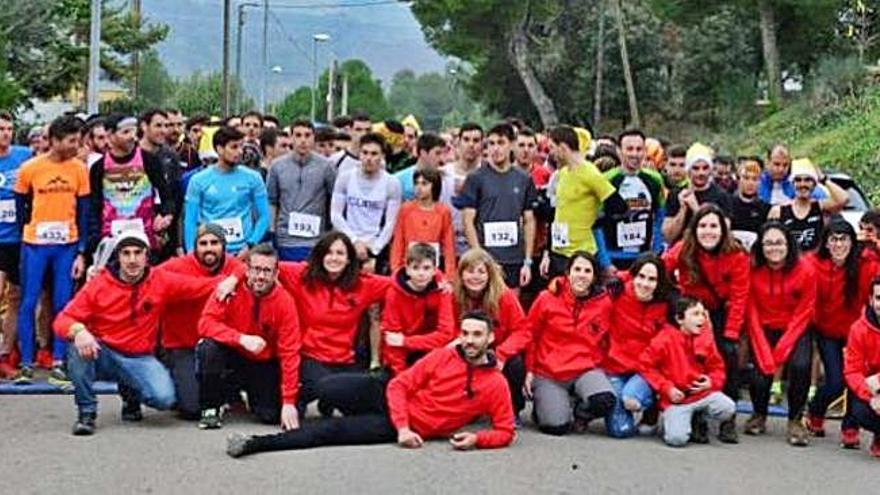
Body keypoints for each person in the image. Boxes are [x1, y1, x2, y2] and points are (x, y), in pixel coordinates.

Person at [225, 310, 515, 457]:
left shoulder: (496, 384)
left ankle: (254, 444)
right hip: (389, 397)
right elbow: (399, 386)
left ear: (490, 338)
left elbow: (505, 431)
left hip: (399, 425)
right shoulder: (444, 356)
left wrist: (478, 439)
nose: (469, 340)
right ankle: (334, 403)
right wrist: (403, 426)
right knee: (328, 386)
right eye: (464, 333)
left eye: (477, 335)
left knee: (330, 433)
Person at [54, 230, 231, 435]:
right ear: (118, 256)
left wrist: (233, 279)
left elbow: (200, 287)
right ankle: (86, 412)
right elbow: (62, 320)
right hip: (103, 353)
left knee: (164, 398)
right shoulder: (98, 284)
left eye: (138, 253)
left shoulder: (161, 280)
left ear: (147, 256)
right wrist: (78, 331)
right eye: (126, 253)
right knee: (77, 347)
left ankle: (131, 396)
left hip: (139, 357)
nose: (132, 260)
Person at [274, 232, 392, 414]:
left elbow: (402, 282)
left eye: (340, 253)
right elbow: (261, 264)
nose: (333, 258)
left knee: (363, 409)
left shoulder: (363, 284)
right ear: (320, 256)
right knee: (328, 387)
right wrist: (233, 279)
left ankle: (328, 402)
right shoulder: (301, 275)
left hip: (346, 361)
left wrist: (440, 280)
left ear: (348, 259)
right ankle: (307, 395)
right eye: (328, 253)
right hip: (310, 358)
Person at [13, 115, 90, 384]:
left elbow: (83, 211)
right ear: (55, 141)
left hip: (66, 245)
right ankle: (26, 363)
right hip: (35, 244)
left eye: (78, 141)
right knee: (28, 301)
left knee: (62, 302)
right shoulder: (29, 168)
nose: (75, 145)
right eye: (70, 140)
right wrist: (29, 233)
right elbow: (21, 206)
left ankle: (58, 360)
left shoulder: (79, 169)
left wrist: (81, 250)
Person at [663, 204, 749, 443]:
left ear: (722, 230)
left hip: (721, 312)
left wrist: (731, 332)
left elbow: (740, 296)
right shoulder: (683, 249)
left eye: (713, 226)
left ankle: (727, 419)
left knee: (728, 357)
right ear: (694, 228)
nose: (708, 231)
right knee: (690, 360)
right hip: (691, 310)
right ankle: (697, 416)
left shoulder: (736, 254)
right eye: (702, 226)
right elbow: (660, 269)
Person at [197, 243, 302, 430]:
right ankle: (211, 407)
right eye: (256, 270)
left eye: (267, 271)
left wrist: (288, 402)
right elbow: (205, 324)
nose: (261, 276)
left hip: (262, 362)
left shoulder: (285, 303)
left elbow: (290, 353)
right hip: (232, 354)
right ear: (247, 270)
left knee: (270, 415)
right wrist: (241, 339)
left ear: (276, 274)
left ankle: (244, 396)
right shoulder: (228, 289)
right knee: (208, 347)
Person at [157, 224, 245, 419]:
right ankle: (171, 379)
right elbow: (149, 276)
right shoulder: (176, 266)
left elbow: (247, 267)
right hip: (181, 345)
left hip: (219, 345)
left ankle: (228, 390)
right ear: (195, 246)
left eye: (214, 243)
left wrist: (234, 278)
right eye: (203, 243)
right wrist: (219, 283)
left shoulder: (233, 267)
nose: (209, 248)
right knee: (191, 409)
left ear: (223, 246)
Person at [526, 251, 616, 436]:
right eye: (577, 269)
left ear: (594, 276)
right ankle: (544, 407)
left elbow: (607, 339)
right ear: (568, 273)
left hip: (584, 370)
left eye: (587, 271)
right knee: (556, 427)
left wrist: (602, 366)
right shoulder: (546, 298)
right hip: (549, 372)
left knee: (605, 400)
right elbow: (530, 336)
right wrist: (529, 370)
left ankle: (580, 413)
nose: (582, 275)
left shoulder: (604, 303)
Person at [805, 219, 877, 445]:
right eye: (833, 239)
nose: (838, 245)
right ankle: (815, 412)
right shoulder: (812, 263)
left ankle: (850, 426)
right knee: (836, 381)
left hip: (857, 331)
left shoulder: (865, 263)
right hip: (827, 331)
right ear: (825, 243)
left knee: (857, 377)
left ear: (851, 241)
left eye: (843, 239)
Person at [744, 222, 817, 446]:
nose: (773, 248)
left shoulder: (805, 269)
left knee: (801, 365)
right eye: (768, 243)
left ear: (788, 245)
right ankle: (759, 414)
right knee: (759, 373)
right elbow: (751, 310)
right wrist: (765, 351)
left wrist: (783, 348)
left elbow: (805, 310)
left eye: (779, 242)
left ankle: (795, 419)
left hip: (796, 328)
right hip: (762, 327)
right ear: (760, 246)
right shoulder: (752, 268)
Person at [639, 297, 735, 447]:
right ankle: (679, 420)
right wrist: (667, 388)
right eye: (695, 314)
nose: (702, 319)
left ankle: (699, 416)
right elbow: (645, 365)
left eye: (703, 314)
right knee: (676, 439)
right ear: (679, 319)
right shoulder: (664, 339)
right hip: (676, 401)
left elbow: (718, 368)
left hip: (702, 394)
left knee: (728, 407)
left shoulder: (706, 338)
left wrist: (712, 381)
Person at [458, 123, 538, 291]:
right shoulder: (475, 179)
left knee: (511, 309)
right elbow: (467, 221)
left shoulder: (524, 180)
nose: (495, 149)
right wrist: (478, 256)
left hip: (514, 259)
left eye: (500, 143)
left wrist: (528, 261)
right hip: (486, 259)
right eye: (491, 144)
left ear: (511, 145)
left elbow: (529, 221)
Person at [452, 248, 530, 419]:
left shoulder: (504, 296)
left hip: (498, 351)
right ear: (461, 274)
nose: (475, 277)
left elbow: (522, 331)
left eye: (481, 271)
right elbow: (449, 331)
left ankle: (512, 410)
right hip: (467, 348)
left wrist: (501, 354)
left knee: (515, 364)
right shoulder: (453, 297)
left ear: (490, 274)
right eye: (470, 271)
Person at [603, 254, 671, 438]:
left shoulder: (667, 303)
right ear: (633, 276)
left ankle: (652, 407)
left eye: (652, 279)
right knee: (619, 431)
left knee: (630, 399)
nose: (645, 283)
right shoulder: (616, 293)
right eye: (641, 277)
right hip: (615, 367)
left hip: (646, 371)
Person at [540, 125, 621, 279]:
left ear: (563, 147)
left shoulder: (589, 173)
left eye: (552, 148)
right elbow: (557, 215)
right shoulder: (562, 173)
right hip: (559, 251)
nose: (550, 154)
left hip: (582, 253)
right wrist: (548, 253)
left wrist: (598, 221)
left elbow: (618, 206)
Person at [88, 113, 175, 257]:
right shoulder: (99, 167)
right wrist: (95, 240)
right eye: (125, 132)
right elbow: (94, 206)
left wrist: (165, 216)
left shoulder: (149, 160)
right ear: (110, 135)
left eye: (134, 131)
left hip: (144, 237)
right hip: (111, 240)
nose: (132, 137)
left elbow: (167, 197)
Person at [183, 126, 270, 256]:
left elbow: (264, 216)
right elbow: (190, 219)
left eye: (241, 146)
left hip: (242, 251)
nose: (240, 152)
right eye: (234, 147)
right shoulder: (198, 180)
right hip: (210, 252)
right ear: (219, 149)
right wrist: (191, 251)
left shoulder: (253, 178)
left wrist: (251, 244)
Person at [330, 132, 402, 273]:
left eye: (374, 154)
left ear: (382, 156)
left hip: (375, 245)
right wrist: (354, 241)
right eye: (365, 153)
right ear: (359, 154)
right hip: (347, 242)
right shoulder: (345, 178)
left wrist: (374, 249)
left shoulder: (391, 183)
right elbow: (335, 214)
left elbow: (391, 222)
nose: (369, 158)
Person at [381, 243, 455, 375]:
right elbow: (392, 338)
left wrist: (405, 341)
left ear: (434, 270)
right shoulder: (393, 294)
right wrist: (401, 375)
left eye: (426, 268)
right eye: (416, 268)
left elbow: (446, 334)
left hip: (429, 351)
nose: (421, 273)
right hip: (402, 356)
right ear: (407, 269)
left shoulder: (443, 290)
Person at [267, 119, 335, 262]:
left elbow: (333, 201)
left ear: (313, 138)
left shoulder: (327, 167)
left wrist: (329, 233)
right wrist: (272, 233)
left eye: (307, 135)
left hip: (315, 240)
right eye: (298, 135)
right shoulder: (277, 166)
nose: (303, 140)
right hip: (285, 239)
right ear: (291, 138)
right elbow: (272, 201)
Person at [600, 129, 666, 270]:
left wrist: (655, 252)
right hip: (613, 257)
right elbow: (596, 223)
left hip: (643, 257)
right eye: (629, 149)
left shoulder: (655, 179)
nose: (634, 154)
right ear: (619, 151)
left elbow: (660, 217)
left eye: (639, 149)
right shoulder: (606, 179)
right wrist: (605, 262)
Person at [0, 110, 31, 379]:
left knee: (16, 298)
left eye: (9, 128)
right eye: (1, 129)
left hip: (18, 238)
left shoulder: (23, 156)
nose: (5, 134)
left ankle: (5, 354)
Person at [768, 158, 848, 253]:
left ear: (814, 184)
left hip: (815, 264)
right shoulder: (778, 211)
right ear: (792, 184)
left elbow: (844, 199)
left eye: (807, 180)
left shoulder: (820, 206)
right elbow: (768, 241)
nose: (802, 184)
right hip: (791, 264)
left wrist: (823, 179)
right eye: (798, 180)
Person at [389, 167, 456, 279]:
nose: (419, 188)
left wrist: (450, 275)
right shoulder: (406, 209)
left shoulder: (443, 211)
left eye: (424, 184)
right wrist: (395, 268)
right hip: (408, 266)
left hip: (432, 266)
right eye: (416, 183)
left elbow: (449, 245)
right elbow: (398, 240)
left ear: (434, 186)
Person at [661, 143, 732, 245]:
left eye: (705, 168)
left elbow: (724, 234)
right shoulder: (676, 194)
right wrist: (683, 209)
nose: (701, 173)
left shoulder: (722, 196)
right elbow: (668, 236)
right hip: (681, 252)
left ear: (711, 170)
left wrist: (696, 209)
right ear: (688, 170)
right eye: (696, 168)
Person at [843, 276, 880, 458]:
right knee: (861, 410)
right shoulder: (858, 329)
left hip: (876, 380)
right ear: (871, 300)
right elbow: (852, 370)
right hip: (870, 386)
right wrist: (872, 395)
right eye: (879, 298)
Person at [442, 122, 484, 255]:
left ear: (482, 145)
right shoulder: (442, 175)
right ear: (458, 143)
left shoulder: (488, 176)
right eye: (466, 139)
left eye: (476, 140)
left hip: (478, 247)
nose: (471, 145)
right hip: (447, 248)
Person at [394, 132, 454, 203]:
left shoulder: (445, 179)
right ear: (423, 153)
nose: (441, 158)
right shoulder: (398, 180)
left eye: (442, 153)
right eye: (437, 153)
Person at [759, 144, 826, 205]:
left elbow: (824, 197)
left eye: (785, 165)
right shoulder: (757, 183)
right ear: (767, 162)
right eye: (777, 164)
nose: (781, 169)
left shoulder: (795, 182)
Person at [729, 158, 770, 251]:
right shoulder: (727, 203)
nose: (750, 183)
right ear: (738, 179)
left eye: (755, 179)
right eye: (746, 178)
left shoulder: (766, 208)